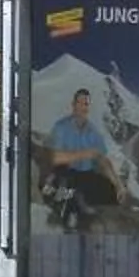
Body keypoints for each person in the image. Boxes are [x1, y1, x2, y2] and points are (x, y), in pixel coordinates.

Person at [43, 88, 122, 228]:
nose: (83, 107)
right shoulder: (61, 127)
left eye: (86, 104)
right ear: (73, 105)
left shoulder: (93, 131)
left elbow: (103, 160)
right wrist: (85, 154)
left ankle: (77, 204)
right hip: (65, 172)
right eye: (80, 103)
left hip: (86, 174)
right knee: (65, 180)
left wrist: (118, 184)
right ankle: (64, 208)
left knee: (110, 192)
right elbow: (56, 158)